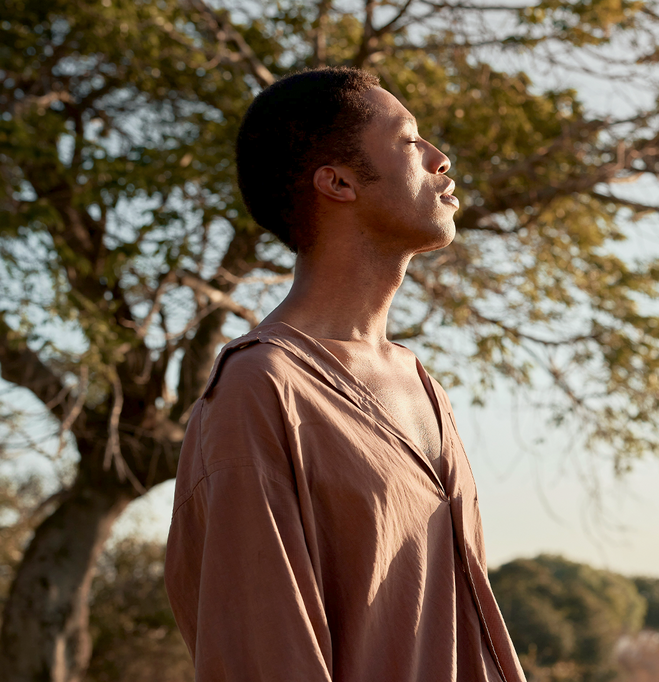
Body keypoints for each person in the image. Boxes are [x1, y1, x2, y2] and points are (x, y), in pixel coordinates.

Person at [164, 66, 526, 682]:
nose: (441, 159)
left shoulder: (422, 384)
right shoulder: (261, 391)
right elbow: (264, 659)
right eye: (411, 142)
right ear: (337, 182)